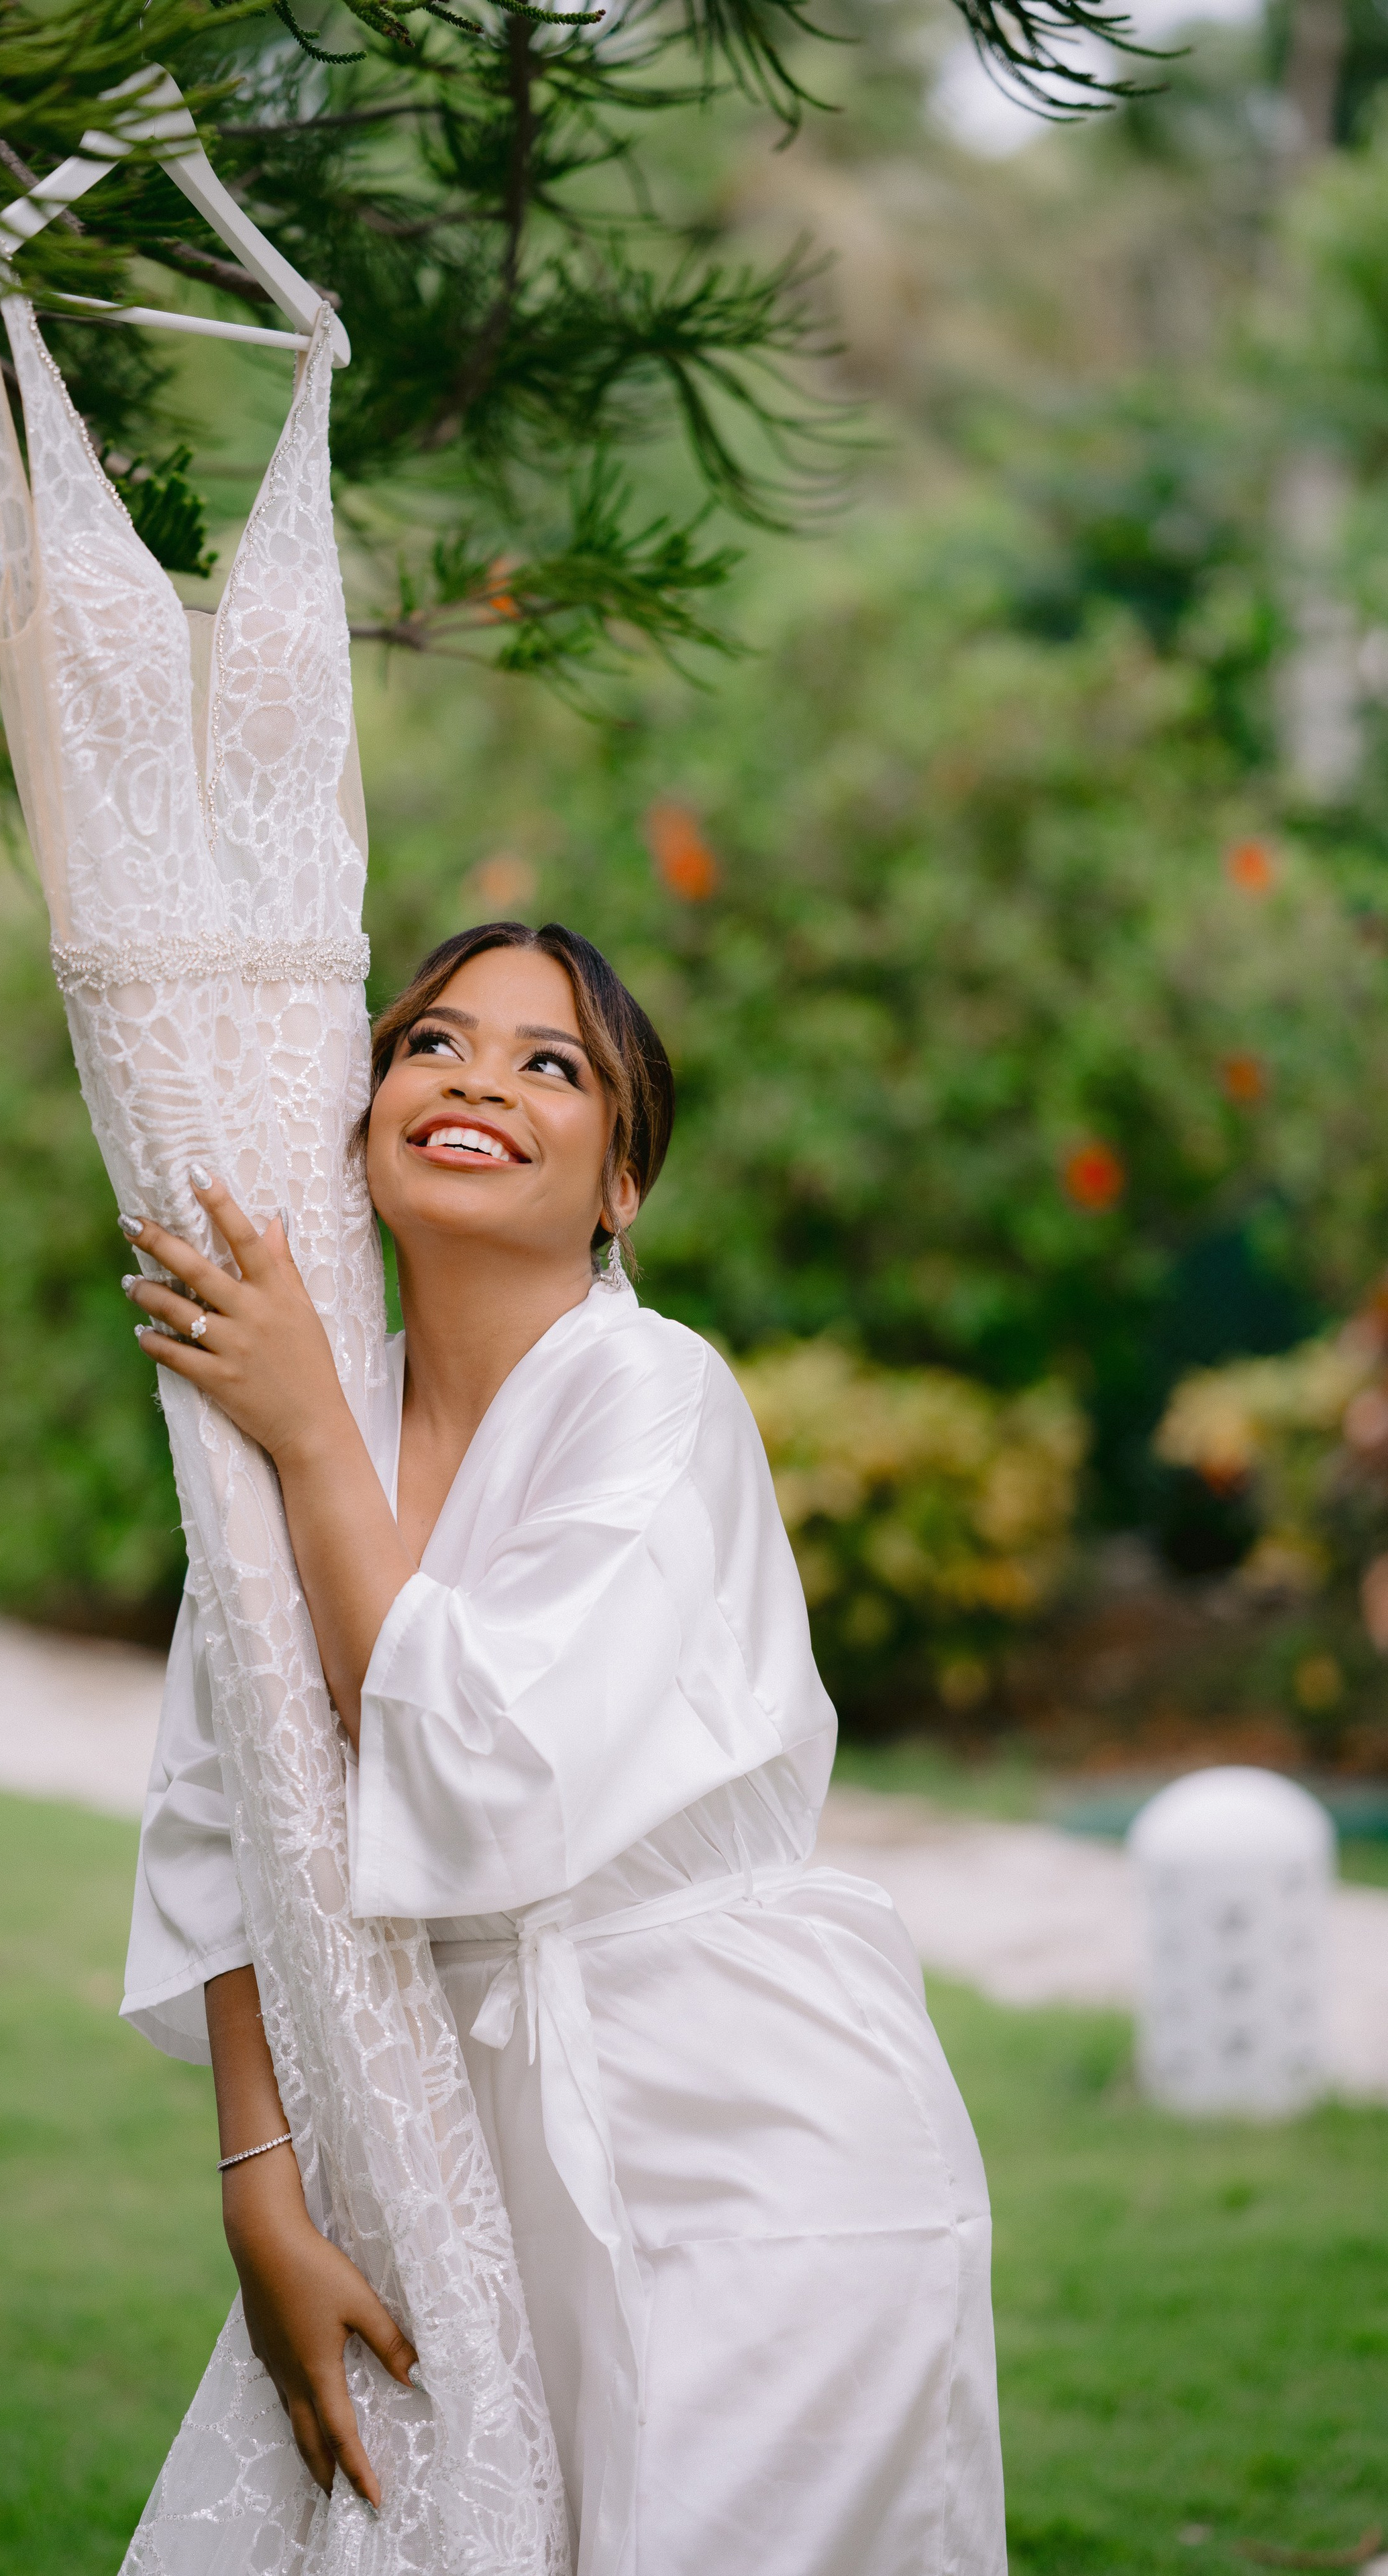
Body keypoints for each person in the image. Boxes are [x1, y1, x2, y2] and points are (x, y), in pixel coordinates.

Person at [118, 917, 1008, 2576]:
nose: (477, 1082)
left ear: (619, 1188)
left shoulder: (651, 1398)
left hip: (752, 2153)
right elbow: (229, 1808)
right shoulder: (316, 1403)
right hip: (454, 2156)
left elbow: (483, 1761)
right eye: (434, 1042)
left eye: (553, 1064)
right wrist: (263, 2194)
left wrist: (309, 1435)